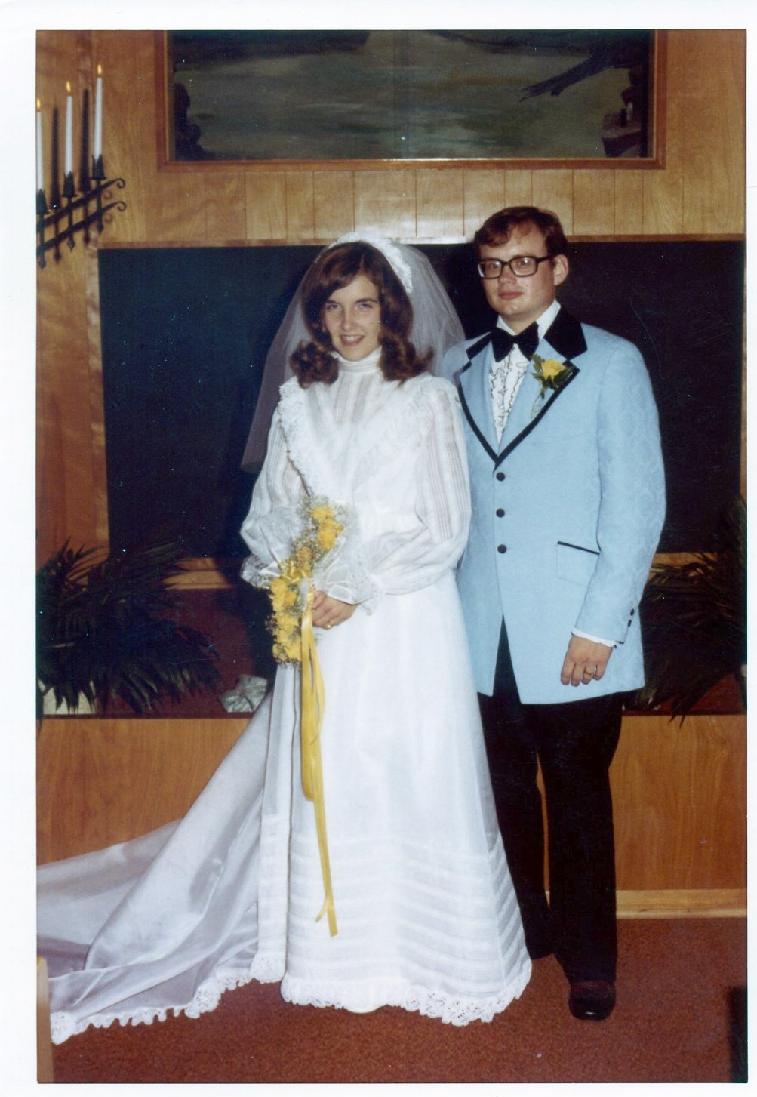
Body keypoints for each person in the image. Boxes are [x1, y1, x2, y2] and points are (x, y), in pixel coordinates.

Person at [37, 234, 531, 1045]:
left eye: (364, 305)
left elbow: (446, 527)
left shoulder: (427, 399)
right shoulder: (300, 402)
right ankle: (337, 952)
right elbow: (268, 514)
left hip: (405, 617)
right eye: (333, 307)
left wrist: (354, 581)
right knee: (333, 767)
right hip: (321, 623)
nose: (348, 322)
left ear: (392, 311)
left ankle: (428, 952)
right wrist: (291, 573)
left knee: (407, 761)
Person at [442, 206, 665, 1022]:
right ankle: (526, 929)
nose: (507, 279)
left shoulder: (612, 362)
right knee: (501, 793)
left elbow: (637, 509)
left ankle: (591, 962)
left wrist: (599, 626)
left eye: (524, 262)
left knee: (576, 799)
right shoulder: (456, 365)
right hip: (480, 629)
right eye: (492, 265)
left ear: (558, 268)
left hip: (575, 629)